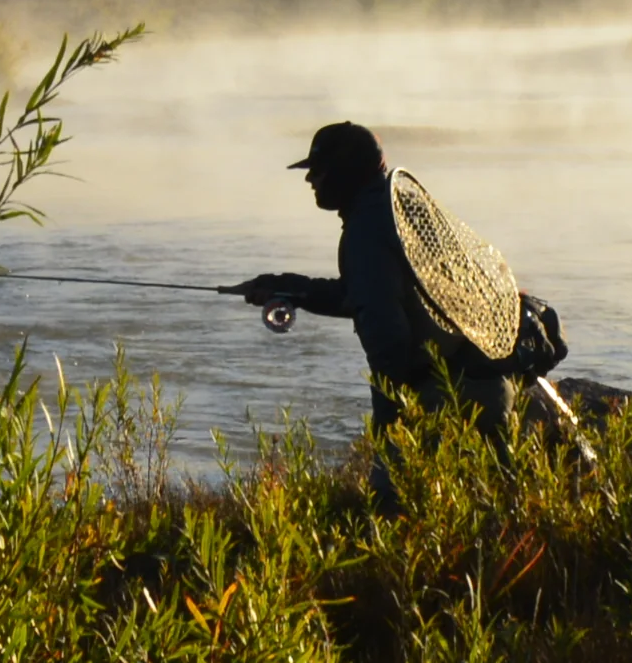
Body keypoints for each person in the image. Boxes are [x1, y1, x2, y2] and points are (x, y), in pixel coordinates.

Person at [237, 121, 575, 435]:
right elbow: (370, 293)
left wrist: (393, 417)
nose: (310, 180)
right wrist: (285, 288)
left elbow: (386, 333)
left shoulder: (366, 232)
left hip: (447, 398)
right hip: (487, 383)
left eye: (319, 171)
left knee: (391, 497)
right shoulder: (404, 210)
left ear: (345, 173)